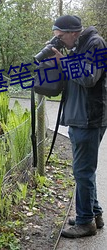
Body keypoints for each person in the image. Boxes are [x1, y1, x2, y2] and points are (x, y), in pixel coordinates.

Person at [51, 15, 107, 238]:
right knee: (85, 171)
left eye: (60, 36)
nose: (59, 41)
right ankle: (94, 214)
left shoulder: (96, 43)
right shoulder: (78, 46)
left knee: (82, 171)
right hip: (79, 117)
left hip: (89, 118)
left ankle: (85, 223)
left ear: (73, 32)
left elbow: (89, 78)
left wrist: (63, 62)